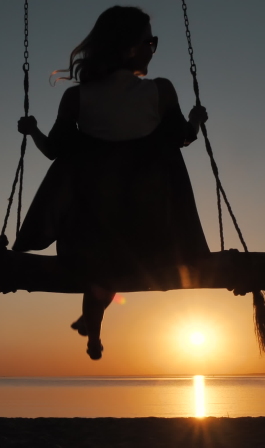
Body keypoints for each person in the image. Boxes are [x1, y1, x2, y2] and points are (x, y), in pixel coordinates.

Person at [13, 6, 210, 360]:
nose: (154, 48)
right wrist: (196, 120)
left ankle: (91, 327)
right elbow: (182, 138)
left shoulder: (76, 98)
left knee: (101, 253)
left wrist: (33, 132)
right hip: (154, 235)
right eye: (150, 40)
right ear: (129, 47)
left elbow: (55, 151)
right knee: (119, 244)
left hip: (87, 233)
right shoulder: (160, 92)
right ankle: (90, 326)